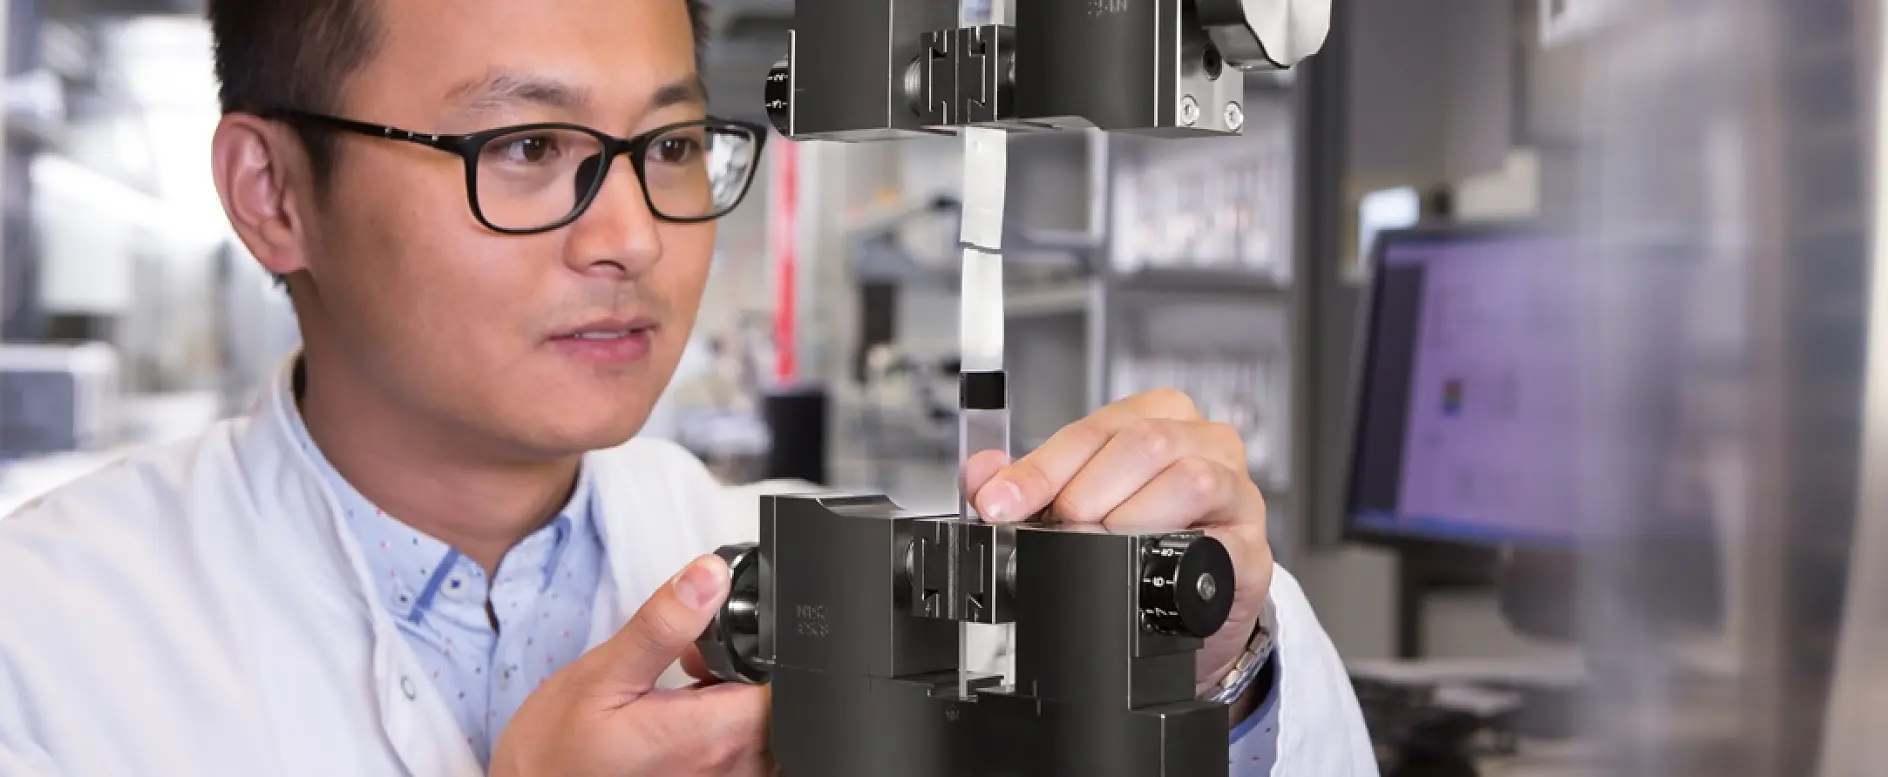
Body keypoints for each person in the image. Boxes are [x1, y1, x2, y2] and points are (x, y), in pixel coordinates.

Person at [0, 0, 1375, 775]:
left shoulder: (809, 581)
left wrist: (1212, 671)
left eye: (669, 146)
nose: (634, 236)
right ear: (272, 193)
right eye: (527, 148)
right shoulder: (48, 645)